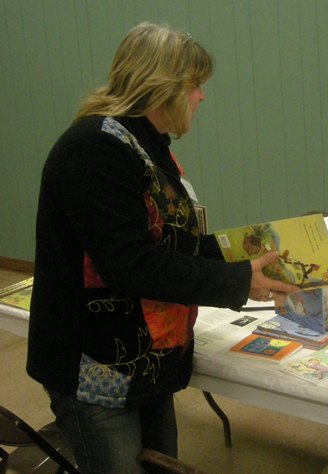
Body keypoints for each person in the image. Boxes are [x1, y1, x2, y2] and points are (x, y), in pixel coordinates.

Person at [26, 22, 298, 473]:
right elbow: (129, 263)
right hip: (98, 368)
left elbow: (174, 243)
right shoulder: (95, 148)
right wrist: (236, 280)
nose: (201, 97)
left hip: (145, 365)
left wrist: (242, 259)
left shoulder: (146, 146)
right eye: (195, 86)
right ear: (163, 85)